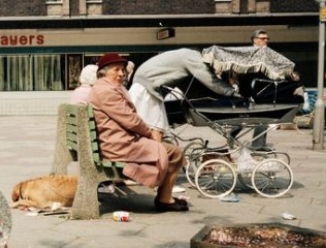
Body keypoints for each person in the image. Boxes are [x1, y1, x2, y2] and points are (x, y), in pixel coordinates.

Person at [89, 53, 187, 212]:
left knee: (167, 150)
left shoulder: (103, 88)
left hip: (115, 142)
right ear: (103, 72)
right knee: (175, 153)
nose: (121, 74)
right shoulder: (106, 91)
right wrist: (149, 134)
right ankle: (164, 200)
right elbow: (131, 120)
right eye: (116, 70)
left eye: (122, 70)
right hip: (119, 147)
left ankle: (165, 198)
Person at [128, 48, 237, 140]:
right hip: (147, 88)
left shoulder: (184, 54)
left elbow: (189, 88)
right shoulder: (193, 57)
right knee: (157, 128)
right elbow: (209, 80)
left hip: (142, 85)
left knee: (147, 129)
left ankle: (153, 157)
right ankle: (155, 161)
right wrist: (230, 91)